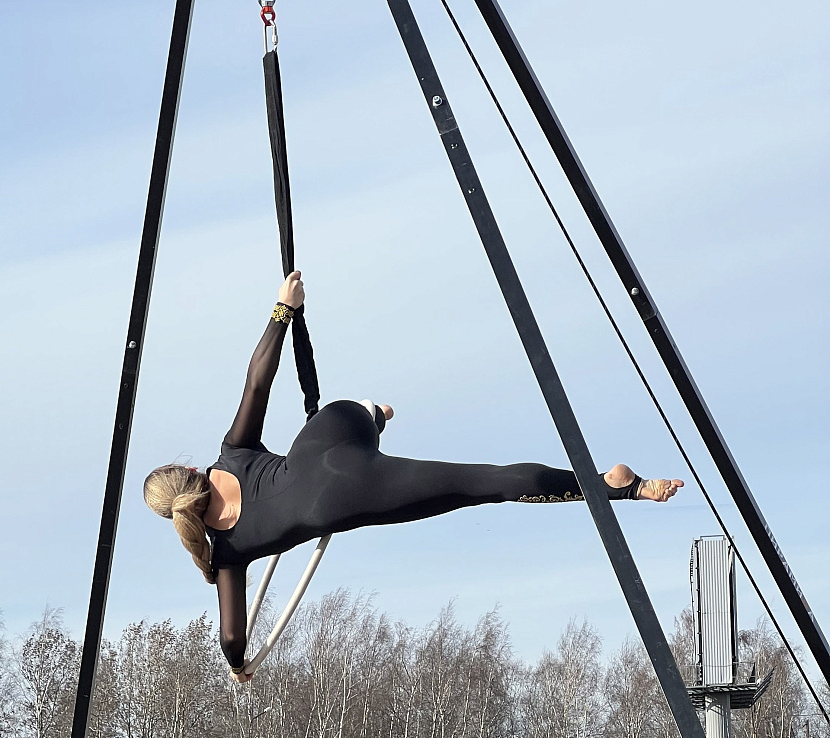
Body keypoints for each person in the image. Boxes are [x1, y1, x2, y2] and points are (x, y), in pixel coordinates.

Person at [143, 271, 684, 678]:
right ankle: (375, 413)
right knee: (359, 411)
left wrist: (238, 665)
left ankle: (617, 487)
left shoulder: (230, 555)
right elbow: (257, 381)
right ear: (189, 469)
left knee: (481, 485)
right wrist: (284, 310)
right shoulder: (229, 454)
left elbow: (232, 636)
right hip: (329, 431)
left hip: (346, 493)